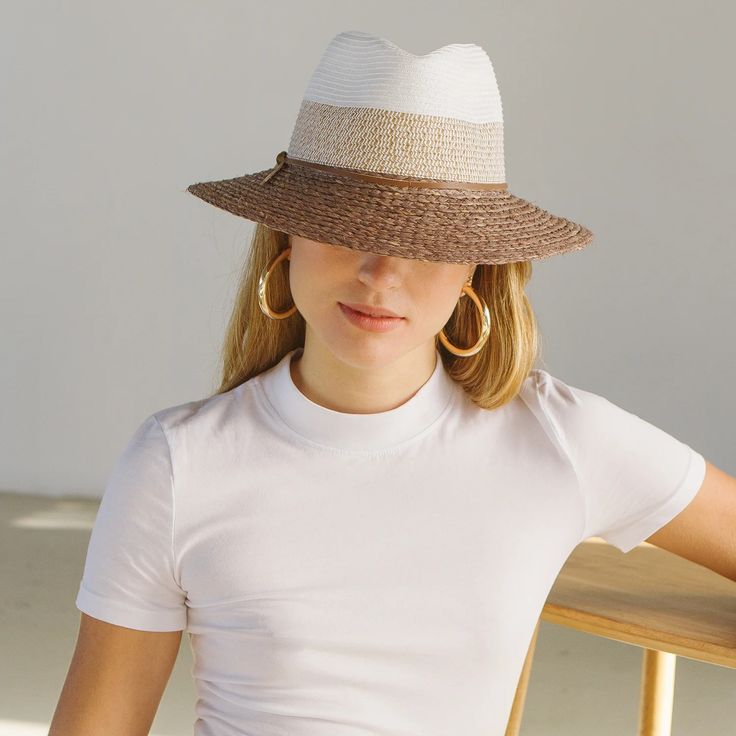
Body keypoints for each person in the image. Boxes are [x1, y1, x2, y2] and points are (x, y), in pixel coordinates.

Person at [50, 29, 716, 736]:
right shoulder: (177, 463)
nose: (381, 274)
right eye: (347, 228)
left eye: (427, 242)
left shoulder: (561, 441)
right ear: (286, 236)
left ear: (475, 267)